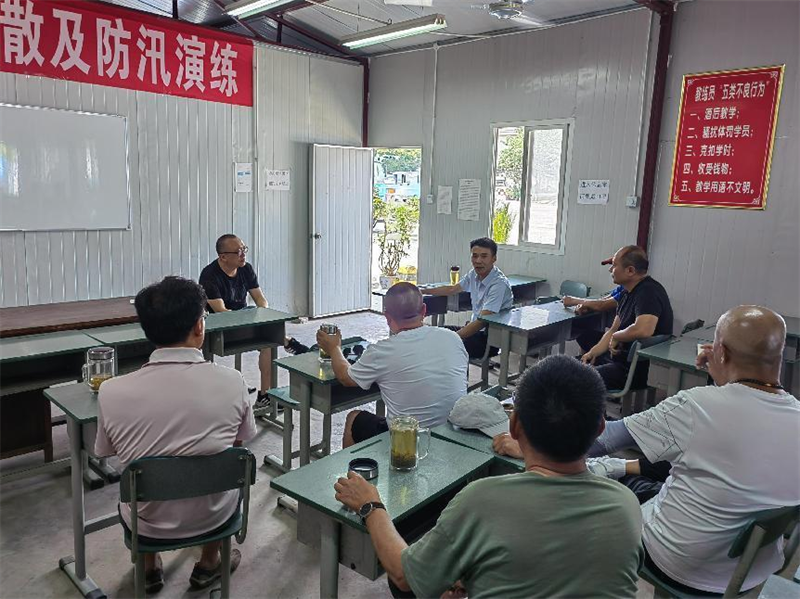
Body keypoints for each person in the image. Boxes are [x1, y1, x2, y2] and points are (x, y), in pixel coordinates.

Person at [333, 355, 644, 599]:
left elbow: (404, 576)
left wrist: (372, 506)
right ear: (600, 428)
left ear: (514, 425)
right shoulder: (626, 505)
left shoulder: (482, 500)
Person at [585, 305, 799, 594]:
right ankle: (621, 468)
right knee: (671, 464)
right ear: (780, 354)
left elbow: (603, 440)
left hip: (678, 562)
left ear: (721, 352)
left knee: (611, 485)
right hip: (752, 570)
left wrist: (535, 438)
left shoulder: (695, 406)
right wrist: (725, 374)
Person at [95, 276, 256, 593]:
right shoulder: (233, 382)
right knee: (224, 468)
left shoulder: (111, 392)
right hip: (215, 517)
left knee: (140, 474)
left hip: (147, 525)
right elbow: (238, 446)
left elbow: (109, 452)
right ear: (199, 326)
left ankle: (148, 567)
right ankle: (209, 562)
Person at [316, 282, 468, 447]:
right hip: (455, 435)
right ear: (424, 310)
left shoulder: (381, 352)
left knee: (354, 418)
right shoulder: (453, 338)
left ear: (387, 317)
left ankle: (357, 465)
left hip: (409, 443)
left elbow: (345, 378)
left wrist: (334, 348)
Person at [199, 234, 307, 406]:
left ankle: (265, 395)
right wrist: (253, 322)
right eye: (238, 251)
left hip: (244, 315)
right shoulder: (209, 275)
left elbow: (261, 300)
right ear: (223, 257)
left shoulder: (246, 269)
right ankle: (286, 341)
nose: (243, 254)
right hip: (220, 326)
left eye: (244, 249)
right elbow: (221, 312)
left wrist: (262, 316)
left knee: (268, 342)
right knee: (269, 336)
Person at [580, 245, 673, 390]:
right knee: (573, 366)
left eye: (614, 265)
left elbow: (644, 330)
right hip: (619, 358)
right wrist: (592, 353)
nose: (610, 270)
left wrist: (617, 336)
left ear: (630, 271)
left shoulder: (648, 292)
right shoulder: (626, 292)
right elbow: (613, 329)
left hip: (634, 370)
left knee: (579, 379)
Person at [425, 237, 513, 359]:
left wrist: (453, 337)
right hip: (473, 332)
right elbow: (452, 289)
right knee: (433, 334)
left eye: (484, 256)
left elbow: (482, 321)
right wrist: (422, 290)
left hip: (488, 341)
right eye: (474, 256)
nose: (478, 261)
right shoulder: (473, 274)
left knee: (442, 346)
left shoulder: (499, 284)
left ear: (494, 258)